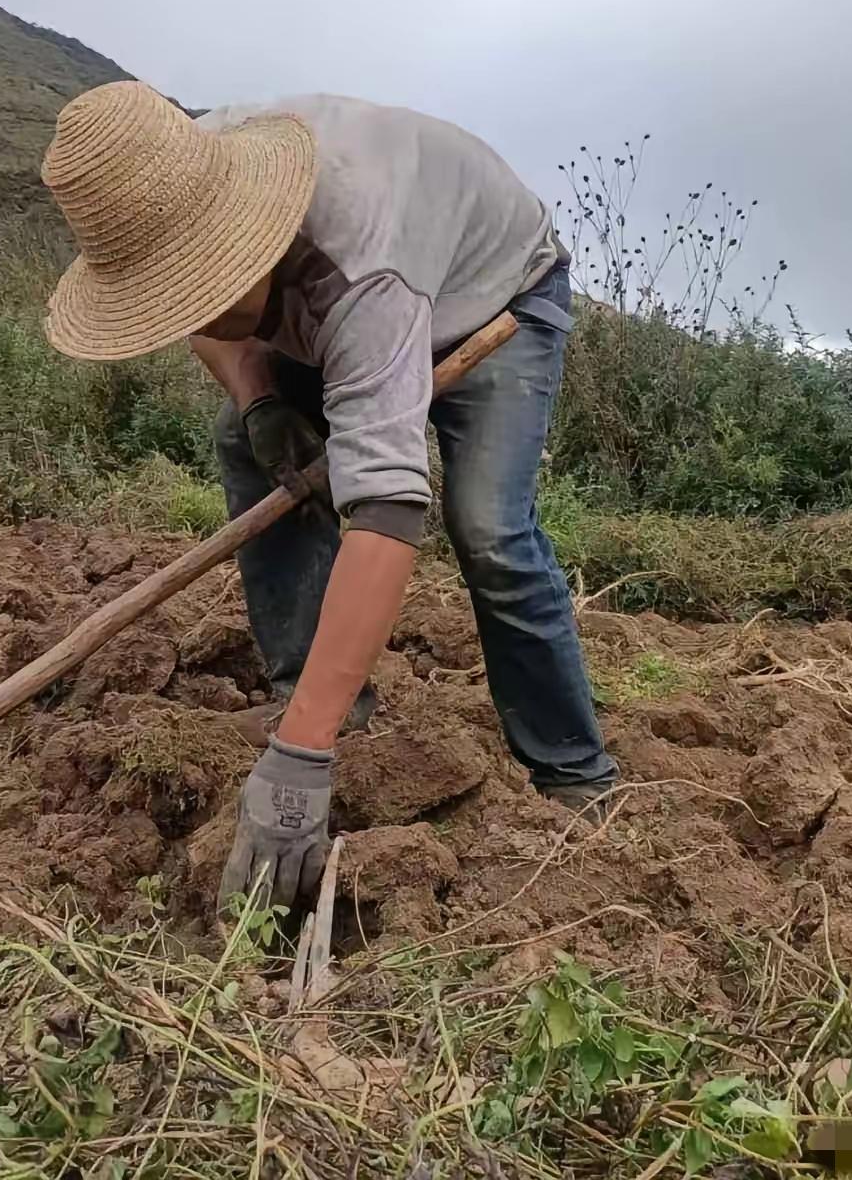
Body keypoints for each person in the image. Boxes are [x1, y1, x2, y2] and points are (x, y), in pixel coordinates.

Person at [41, 80, 618, 911]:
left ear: (254, 244)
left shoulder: (362, 268)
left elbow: (386, 513)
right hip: (350, 290)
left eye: (204, 286)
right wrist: (263, 403)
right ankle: (313, 696)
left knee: (487, 527)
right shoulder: (168, 174)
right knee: (249, 444)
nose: (190, 310)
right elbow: (201, 316)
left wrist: (295, 770)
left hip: (494, 298)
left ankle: (571, 770)